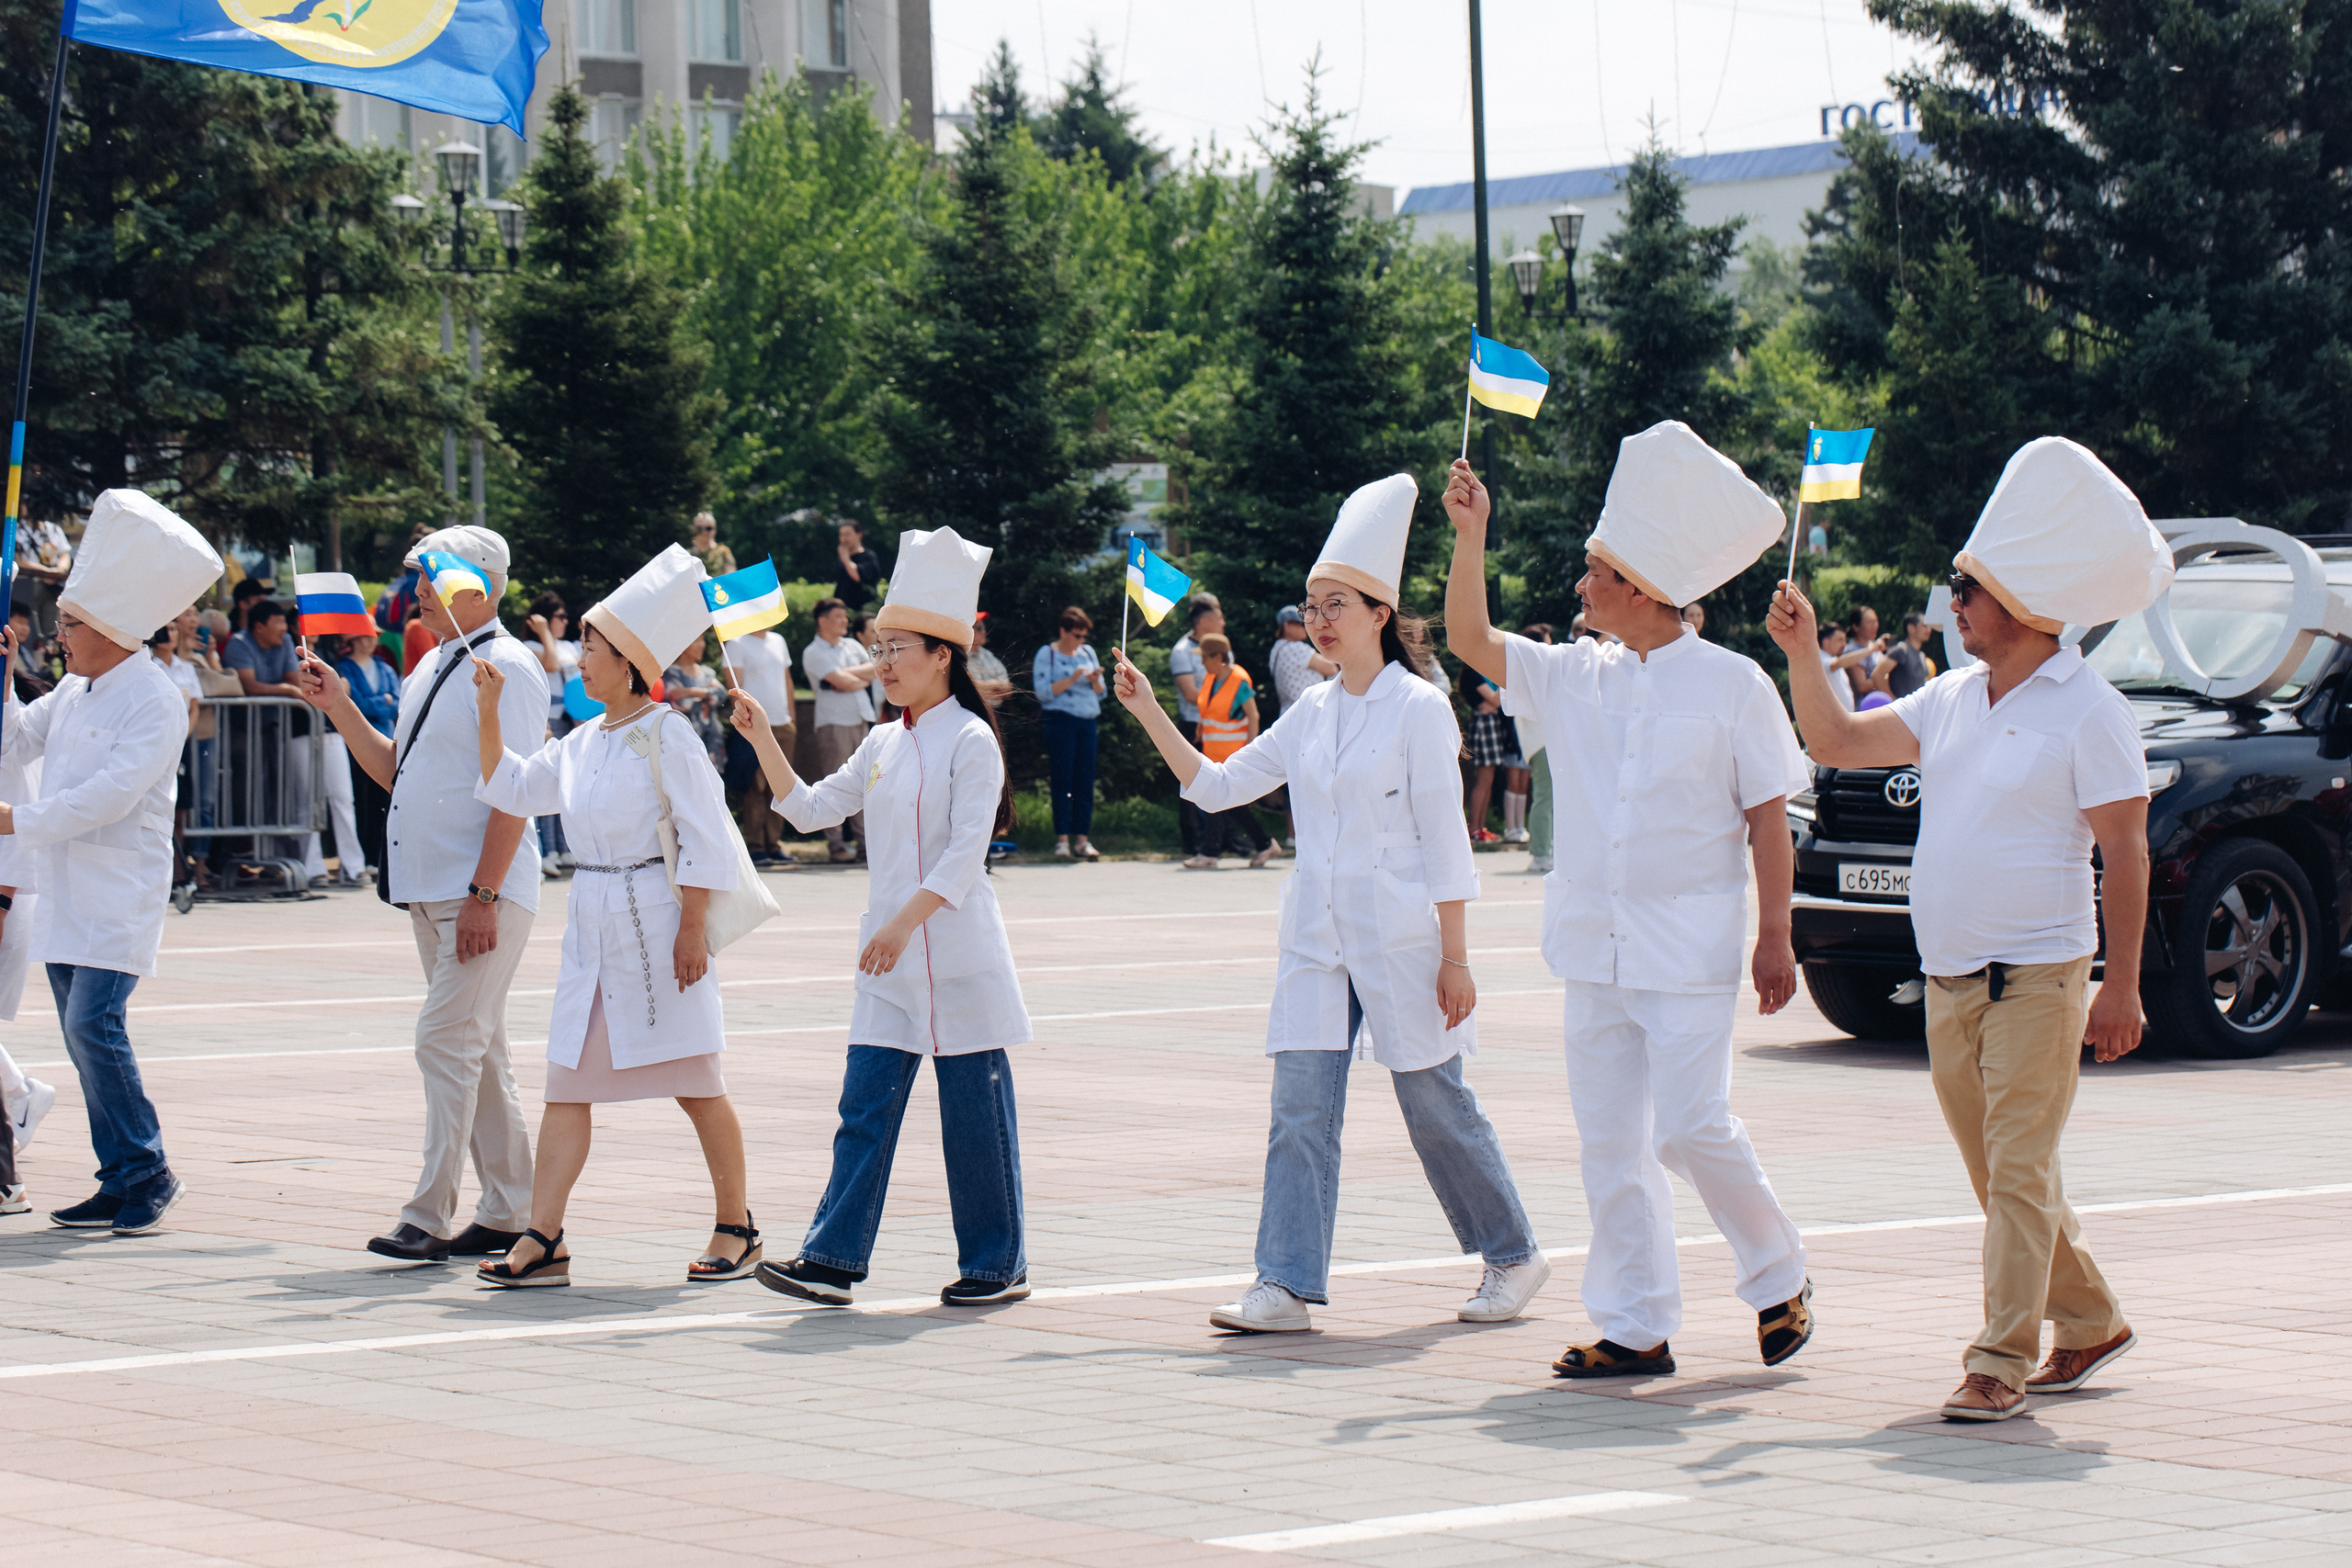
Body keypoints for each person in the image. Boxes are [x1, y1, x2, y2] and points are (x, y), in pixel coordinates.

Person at [1768, 436, 2166, 1423]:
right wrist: (1800, 653)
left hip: (2042, 974)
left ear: (2025, 606)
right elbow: (1832, 742)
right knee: (2001, 1174)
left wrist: (2120, 987)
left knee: (2019, 1166)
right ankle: (2091, 1319)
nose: (1952, 601)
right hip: (1948, 975)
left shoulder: (2091, 710)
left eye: (1966, 586)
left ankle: (1999, 1360)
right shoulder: (1948, 697)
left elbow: (2126, 851)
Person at [1115, 474, 1547, 1334]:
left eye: (1335, 603)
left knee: (1435, 1106)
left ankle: (1514, 1254)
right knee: (1300, 1108)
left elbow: (1446, 838)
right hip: (1316, 928)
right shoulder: (1310, 712)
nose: (1319, 618)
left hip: (1401, 932)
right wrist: (1150, 713)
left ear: (1380, 612)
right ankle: (1283, 1283)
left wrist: (1456, 954)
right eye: (1311, 605)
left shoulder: (1420, 708)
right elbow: (1215, 787)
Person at [1445, 426, 1816, 1382]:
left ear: (1644, 588)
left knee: (1690, 1127)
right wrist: (1469, 536)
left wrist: (1776, 939)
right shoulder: (1572, 674)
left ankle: (1778, 1272)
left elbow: (1770, 822)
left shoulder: (1733, 684)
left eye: (1595, 571)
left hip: (1690, 947)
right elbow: (1467, 639)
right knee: (1610, 1146)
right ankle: (1634, 1324)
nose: (1580, 586)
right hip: (1591, 950)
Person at [741, 525, 1035, 1308]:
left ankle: (997, 1264)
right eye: (879, 643)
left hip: (956, 955)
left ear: (944, 653)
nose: (883, 658)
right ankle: (833, 1257)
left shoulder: (971, 740)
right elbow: (805, 810)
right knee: (862, 1108)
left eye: (897, 644)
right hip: (891, 959)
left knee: (975, 1120)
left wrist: (905, 922)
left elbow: (965, 854)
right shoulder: (881, 742)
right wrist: (760, 739)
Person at [469, 545, 761, 1288]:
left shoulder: (668, 734)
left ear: (630, 661)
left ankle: (738, 1224)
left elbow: (705, 833)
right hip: (593, 930)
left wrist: (693, 926)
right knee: (566, 1083)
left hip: (658, 928)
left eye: (591, 650)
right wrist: (486, 710)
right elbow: (510, 785)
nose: (580, 661)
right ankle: (545, 1235)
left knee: (697, 1080)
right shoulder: (579, 741)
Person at [297, 525, 549, 1264]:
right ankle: (509, 1210)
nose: (415, 593)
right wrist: (342, 705)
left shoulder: (510, 667)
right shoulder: (430, 667)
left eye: (428, 577)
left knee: (444, 1040)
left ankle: (428, 1214)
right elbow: (396, 772)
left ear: (476, 585)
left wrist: (484, 891)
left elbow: (517, 792)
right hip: (434, 887)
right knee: (477, 1048)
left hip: (480, 889)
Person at [6, 490, 221, 1235]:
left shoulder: (156, 700)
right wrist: (3, 675)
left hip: (118, 889)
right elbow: (14, 742)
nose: (59, 636)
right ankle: (119, 1173)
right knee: (78, 1029)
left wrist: (15, 819)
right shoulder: (71, 688)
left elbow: (111, 795)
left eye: (68, 624)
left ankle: (148, 1168)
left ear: (108, 628)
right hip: (69, 889)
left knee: (95, 1025)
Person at [0, 663, 57, 1215]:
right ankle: (19, 1092)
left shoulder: (12, 735)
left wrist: (1, 900)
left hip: (7, 890)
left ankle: (20, 1095)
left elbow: (13, 827)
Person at [226, 599, 324, 882]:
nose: (284, 628)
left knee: (276, 793)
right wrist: (285, 690)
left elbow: (295, 681)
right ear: (259, 627)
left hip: (274, 730)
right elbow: (249, 686)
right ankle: (244, 852)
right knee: (248, 792)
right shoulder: (239, 644)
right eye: (278, 623)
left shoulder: (283, 645)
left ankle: (275, 856)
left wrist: (289, 689)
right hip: (242, 733)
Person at [1189, 633, 1281, 869]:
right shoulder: (1211, 679)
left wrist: (1251, 749)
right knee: (1232, 805)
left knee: (1213, 798)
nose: (1201, 662)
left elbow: (1253, 715)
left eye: (1204, 658)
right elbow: (1210, 712)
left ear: (1218, 657)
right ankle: (1265, 844)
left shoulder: (1238, 680)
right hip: (1212, 751)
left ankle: (1210, 853)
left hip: (1232, 753)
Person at [801, 597, 876, 864]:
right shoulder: (813, 651)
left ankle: (867, 845)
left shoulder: (853, 645)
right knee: (835, 782)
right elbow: (845, 680)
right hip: (834, 723)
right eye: (838, 617)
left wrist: (844, 677)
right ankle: (836, 845)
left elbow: (875, 669)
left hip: (861, 718)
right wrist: (849, 679)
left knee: (869, 782)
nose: (845, 621)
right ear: (823, 620)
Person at [1033, 605, 1105, 861]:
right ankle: (1062, 840)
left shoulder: (1087, 652)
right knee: (1063, 779)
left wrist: (1095, 679)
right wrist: (1073, 678)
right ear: (1063, 631)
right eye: (1076, 635)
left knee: (1085, 780)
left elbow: (1102, 692)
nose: (1081, 641)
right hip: (1060, 720)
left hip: (1087, 720)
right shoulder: (1047, 654)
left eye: (1084, 636)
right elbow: (1042, 692)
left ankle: (1082, 840)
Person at [723, 619, 796, 865]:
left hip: (782, 724)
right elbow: (734, 688)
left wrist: (792, 719)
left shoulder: (779, 641)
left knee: (782, 786)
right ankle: (755, 846)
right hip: (756, 726)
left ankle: (774, 844)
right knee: (756, 787)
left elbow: (787, 680)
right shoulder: (737, 643)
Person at [332, 631, 401, 881]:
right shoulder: (344, 667)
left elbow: (398, 702)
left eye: (373, 636)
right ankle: (366, 856)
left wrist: (378, 703)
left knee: (384, 800)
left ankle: (379, 856)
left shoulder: (385, 668)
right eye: (363, 636)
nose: (369, 641)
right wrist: (383, 701)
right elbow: (356, 703)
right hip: (357, 741)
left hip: (386, 737)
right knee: (361, 800)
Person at [525, 592, 578, 878]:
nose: (564, 622)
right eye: (558, 617)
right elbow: (551, 664)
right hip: (547, 721)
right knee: (546, 784)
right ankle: (547, 851)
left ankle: (563, 846)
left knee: (565, 786)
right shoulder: (531, 645)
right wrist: (544, 632)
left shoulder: (571, 646)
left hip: (571, 721)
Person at [1170, 593, 1224, 869]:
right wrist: (1225, 699)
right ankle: (1192, 841)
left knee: (1222, 780)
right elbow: (1190, 693)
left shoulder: (1221, 647)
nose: (1223, 622)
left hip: (1220, 726)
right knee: (1191, 783)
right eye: (1219, 616)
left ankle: (1222, 840)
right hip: (1193, 725)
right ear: (1204, 620)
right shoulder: (1181, 652)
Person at [1464, 674, 1526, 844]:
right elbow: (1497, 700)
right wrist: (1502, 686)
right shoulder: (1473, 677)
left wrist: (1494, 703)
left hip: (1491, 724)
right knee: (1483, 779)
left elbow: (1496, 701)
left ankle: (1481, 827)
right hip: (1483, 725)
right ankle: (1473, 828)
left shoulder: (1484, 677)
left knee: (1489, 779)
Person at [1517, 624, 1557, 875]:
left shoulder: (1524, 668)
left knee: (1546, 797)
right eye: (1547, 640)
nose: (1550, 645)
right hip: (1541, 741)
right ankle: (1541, 854)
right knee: (1545, 797)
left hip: (1538, 742)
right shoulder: (1532, 670)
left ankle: (1543, 850)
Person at [965, 612, 1012, 706]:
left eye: (984, 628)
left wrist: (982, 687)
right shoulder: (959, 657)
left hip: (993, 713)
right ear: (968, 631)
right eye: (979, 628)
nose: (984, 632)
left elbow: (1008, 689)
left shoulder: (987, 655)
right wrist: (997, 686)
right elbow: (966, 690)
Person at [833, 519, 882, 609]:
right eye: (841, 535)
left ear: (859, 535)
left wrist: (846, 559)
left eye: (847, 534)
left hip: (863, 609)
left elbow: (858, 576)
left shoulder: (868, 556)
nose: (844, 539)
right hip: (844, 609)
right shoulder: (842, 559)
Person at [1885, 613, 1934, 700]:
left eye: (1929, 626)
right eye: (1924, 626)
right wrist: (1891, 700)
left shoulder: (1921, 655)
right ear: (1911, 628)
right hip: (1901, 710)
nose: (1928, 630)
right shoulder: (1901, 650)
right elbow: (1877, 675)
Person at [690, 511, 736, 581]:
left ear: (714, 530)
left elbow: (731, 576)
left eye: (708, 528)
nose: (704, 532)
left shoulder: (723, 551)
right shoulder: (688, 555)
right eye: (700, 529)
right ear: (694, 530)